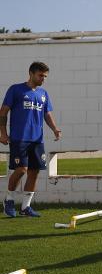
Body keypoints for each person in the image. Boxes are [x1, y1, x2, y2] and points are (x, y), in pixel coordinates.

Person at [1, 61, 61, 217]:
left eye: (45, 76)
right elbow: (3, 112)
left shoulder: (43, 94)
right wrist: (3, 133)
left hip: (37, 140)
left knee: (34, 172)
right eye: (41, 75)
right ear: (31, 73)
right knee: (21, 170)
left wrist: (54, 128)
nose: (43, 79)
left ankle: (25, 208)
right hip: (19, 138)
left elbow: (47, 114)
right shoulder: (15, 90)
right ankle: (8, 199)